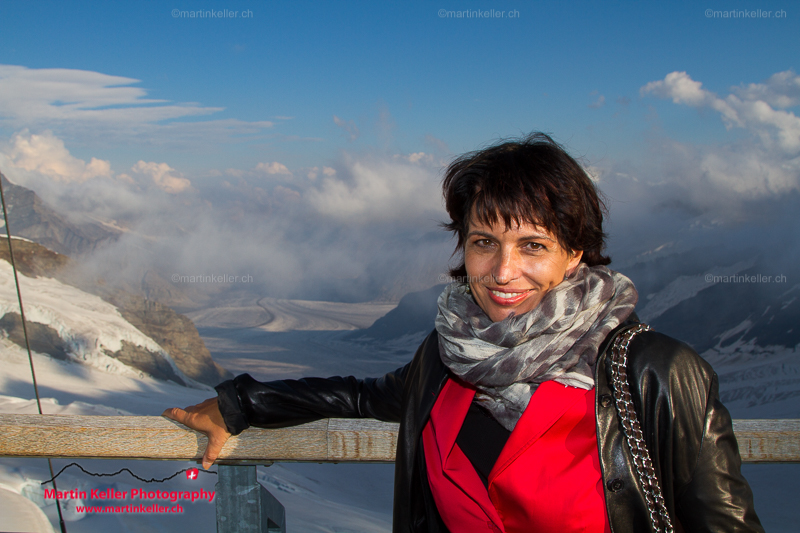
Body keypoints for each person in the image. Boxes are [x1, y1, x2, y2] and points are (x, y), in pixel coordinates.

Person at [164, 133, 763, 532]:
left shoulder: (654, 373)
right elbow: (360, 395)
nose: (503, 272)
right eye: (484, 243)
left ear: (574, 253)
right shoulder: (448, 355)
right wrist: (237, 404)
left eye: (533, 245)